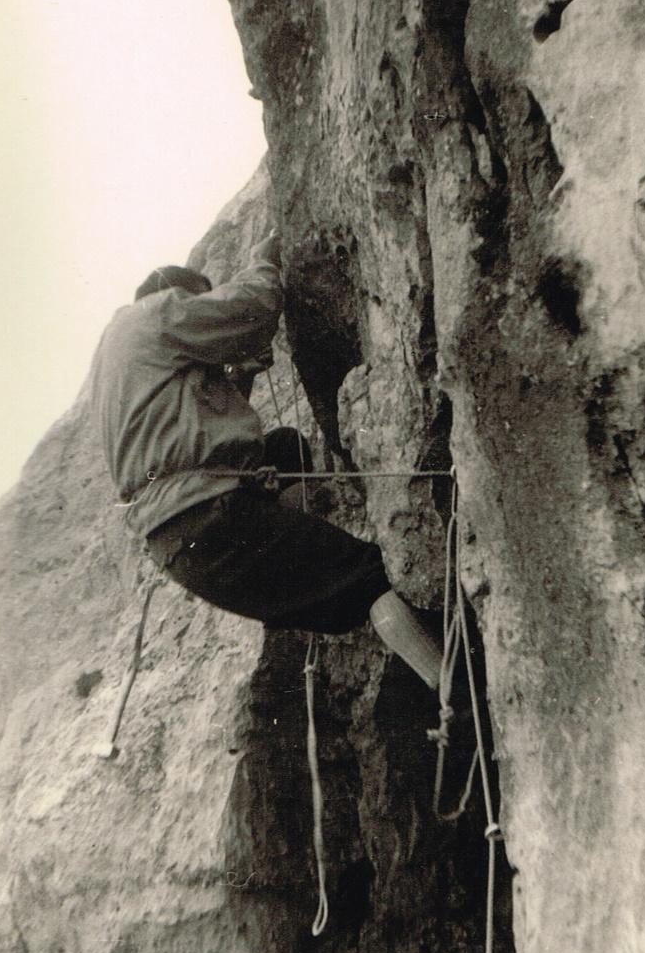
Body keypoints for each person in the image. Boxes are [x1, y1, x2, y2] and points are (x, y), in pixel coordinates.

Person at [89, 230, 442, 689]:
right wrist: (263, 261)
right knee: (367, 576)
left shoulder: (118, 357)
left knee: (284, 446)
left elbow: (188, 425)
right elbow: (248, 307)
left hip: (178, 544)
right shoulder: (157, 313)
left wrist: (238, 377)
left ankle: (295, 535)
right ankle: (455, 696)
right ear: (183, 296)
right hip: (212, 517)